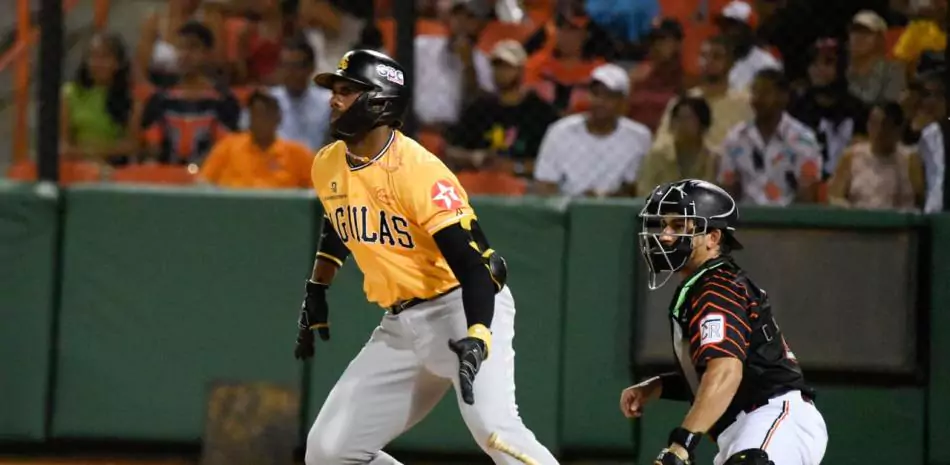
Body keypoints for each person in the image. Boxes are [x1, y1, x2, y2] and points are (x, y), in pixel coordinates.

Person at [296, 49, 559, 465]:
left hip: (460, 306)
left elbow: (475, 266)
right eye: (335, 90)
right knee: (328, 453)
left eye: (346, 90)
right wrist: (317, 288)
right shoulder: (328, 163)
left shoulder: (419, 171)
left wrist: (478, 334)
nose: (334, 99)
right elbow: (338, 220)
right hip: (401, 325)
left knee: (494, 430)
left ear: (378, 100)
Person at [622, 179, 828, 465]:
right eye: (665, 225)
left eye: (679, 225)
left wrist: (681, 446)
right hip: (749, 427)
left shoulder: (717, 287)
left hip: (772, 417)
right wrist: (656, 386)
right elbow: (715, 373)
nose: (666, 236)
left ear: (713, 237)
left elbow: (726, 372)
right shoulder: (706, 284)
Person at [719, 69, 822, 205]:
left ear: (783, 97)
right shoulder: (736, 138)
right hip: (746, 215)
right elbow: (727, 190)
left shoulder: (803, 139)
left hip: (788, 215)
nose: (757, 99)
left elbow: (807, 194)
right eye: (755, 92)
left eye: (765, 92)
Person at [827, 101, 925, 210]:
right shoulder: (851, 156)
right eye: (874, 123)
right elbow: (835, 196)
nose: (878, 131)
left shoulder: (910, 159)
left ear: (898, 129)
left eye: (885, 125)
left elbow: (920, 201)